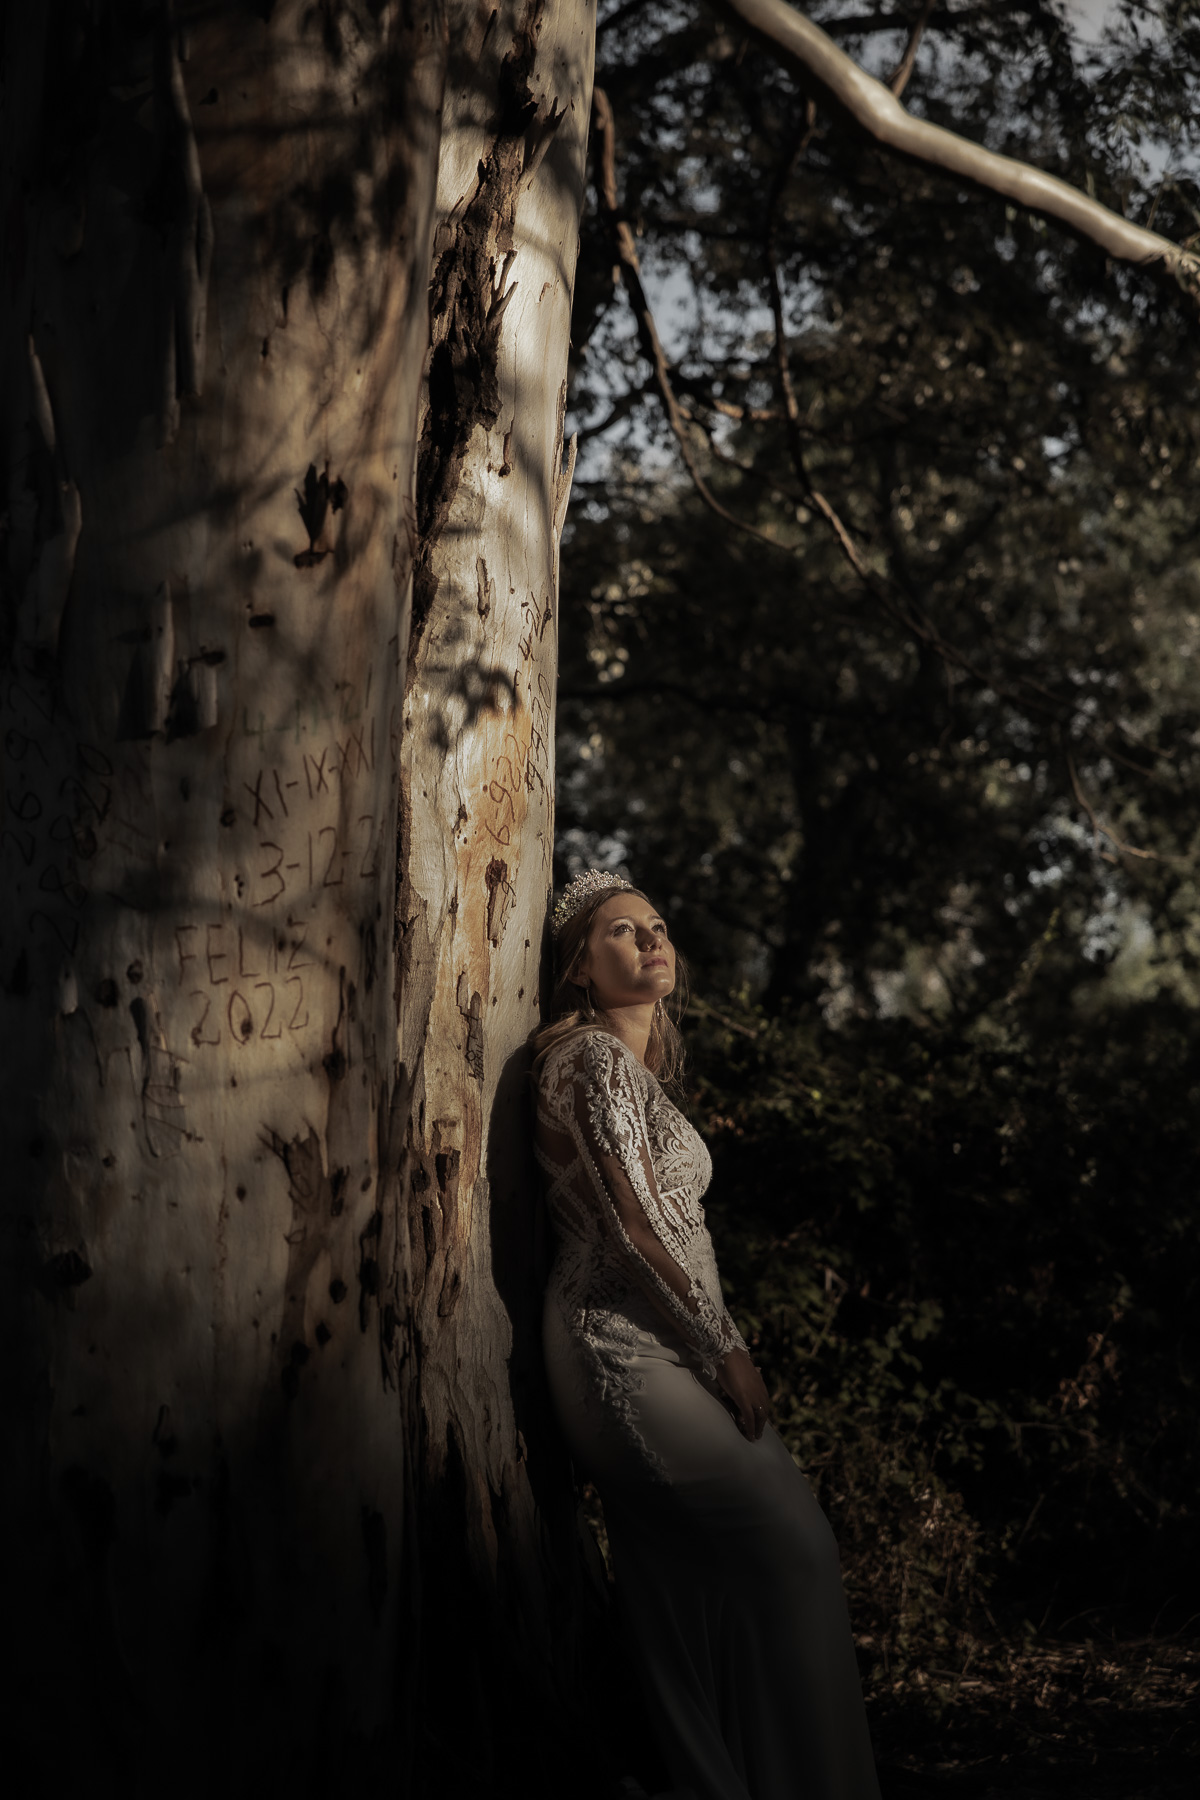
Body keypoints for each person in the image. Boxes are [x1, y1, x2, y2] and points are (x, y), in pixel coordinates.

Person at [532, 868, 881, 1800]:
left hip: (662, 1343)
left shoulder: (633, 1067)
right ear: (577, 968)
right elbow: (632, 1223)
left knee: (679, 1590)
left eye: (656, 926)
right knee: (797, 1547)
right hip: (622, 1348)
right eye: (619, 931)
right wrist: (723, 1345)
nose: (650, 940)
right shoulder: (591, 1058)